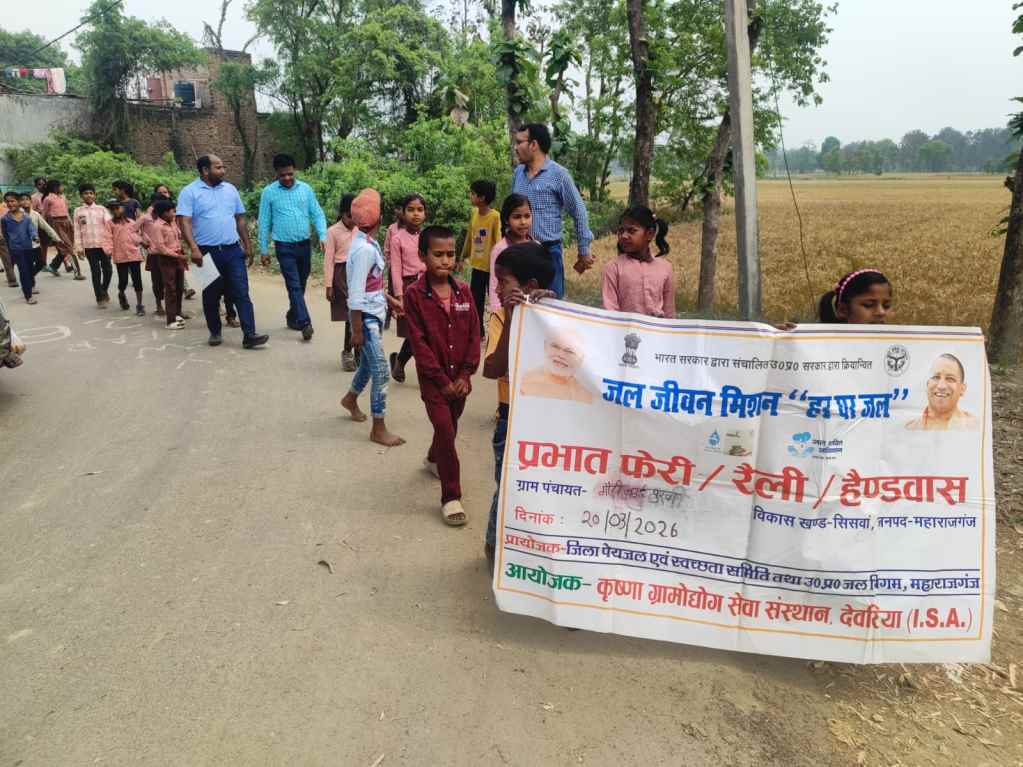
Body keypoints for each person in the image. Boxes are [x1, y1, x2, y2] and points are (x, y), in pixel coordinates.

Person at [482, 241, 555, 569]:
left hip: (547, 422)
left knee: (542, 490)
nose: (497, 289)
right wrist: (513, 319)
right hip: (510, 419)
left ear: (531, 286)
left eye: (503, 282)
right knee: (507, 487)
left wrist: (552, 308)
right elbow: (492, 369)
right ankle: (493, 548)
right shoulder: (500, 318)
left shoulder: (557, 317)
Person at [404, 225, 480, 527]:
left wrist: (465, 374)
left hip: (460, 382)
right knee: (446, 431)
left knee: (450, 425)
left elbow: (474, 334)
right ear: (423, 255)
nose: (445, 260)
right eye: (438, 254)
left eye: (450, 254)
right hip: (434, 382)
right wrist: (441, 380)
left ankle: (434, 458)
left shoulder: (464, 292)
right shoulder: (414, 295)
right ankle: (451, 496)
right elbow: (419, 343)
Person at [177, 154, 268, 349]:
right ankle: (215, 332)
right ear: (205, 170)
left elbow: (240, 218)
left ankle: (249, 335)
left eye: (223, 167)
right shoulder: (189, 192)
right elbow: (184, 221)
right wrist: (193, 248)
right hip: (205, 252)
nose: (223, 171)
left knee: (241, 292)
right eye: (218, 167)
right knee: (211, 294)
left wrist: (247, 245)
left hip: (233, 250)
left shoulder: (230, 189)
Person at [340, 188, 406, 447]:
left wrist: (388, 299)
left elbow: (371, 283)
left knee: (368, 366)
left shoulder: (366, 242)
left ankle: (350, 399)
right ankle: (378, 428)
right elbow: (356, 294)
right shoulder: (365, 249)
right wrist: (356, 330)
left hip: (372, 313)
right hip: (366, 318)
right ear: (378, 219)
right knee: (380, 370)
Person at [511, 123, 594, 298]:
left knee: (551, 305)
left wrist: (583, 250)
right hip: (521, 251)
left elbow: (578, 211)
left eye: (519, 142)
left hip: (548, 253)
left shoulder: (559, 174)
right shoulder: (518, 173)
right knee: (522, 305)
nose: (515, 148)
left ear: (534, 145)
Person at [257, 153, 328, 341]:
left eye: (290, 174)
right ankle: (305, 323)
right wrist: (263, 250)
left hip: (304, 245)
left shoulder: (305, 189)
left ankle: (292, 315)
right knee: (294, 285)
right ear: (276, 174)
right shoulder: (269, 193)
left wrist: (323, 235)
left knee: (301, 284)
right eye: (283, 175)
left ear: (294, 170)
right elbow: (264, 222)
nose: (287, 178)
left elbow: (317, 213)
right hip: (284, 247)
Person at [602, 205, 675, 318]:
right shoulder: (613, 268)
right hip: (624, 329)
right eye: (621, 231)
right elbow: (610, 311)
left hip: (656, 329)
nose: (624, 236)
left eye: (631, 231)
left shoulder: (665, 268)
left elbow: (669, 312)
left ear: (650, 234)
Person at [387, 193, 427, 382]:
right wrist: (399, 295)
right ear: (403, 213)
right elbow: (395, 269)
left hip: (427, 287)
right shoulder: (397, 238)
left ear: (425, 213)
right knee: (414, 331)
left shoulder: (428, 237)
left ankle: (399, 361)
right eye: (410, 210)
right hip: (408, 288)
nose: (415, 214)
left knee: (425, 331)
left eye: (420, 210)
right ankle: (406, 364)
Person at [461, 179, 500, 336]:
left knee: (495, 300)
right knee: (475, 300)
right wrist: (462, 257)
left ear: (482, 197)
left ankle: (499, 332)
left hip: (491, 268)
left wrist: (500, 266)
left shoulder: (495, 217)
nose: (470, 196)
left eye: (472, 193)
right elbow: (469, 237)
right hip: (477, 266)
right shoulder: (474, 213)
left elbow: (498, 241)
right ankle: (479, 332)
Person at [324, 193, 358, 370]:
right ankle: (347, 352)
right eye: (349, 216)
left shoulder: (361, 229)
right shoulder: (332, 231)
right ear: (342, 213)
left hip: (358, 272)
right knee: (350, 314)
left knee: (360, 313)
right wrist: (329, 285)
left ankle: (359, 351)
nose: (353, 220)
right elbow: (329, 259)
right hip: (341, 274)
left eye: (356, 216)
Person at [519, 325, 593, 404]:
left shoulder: (585, 397)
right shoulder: (522, 381)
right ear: (545, 346)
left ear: (580, 359)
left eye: (570, 351)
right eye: (555, 346)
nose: (561, 355)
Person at [905, 354, 978, 431]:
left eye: (950, 379)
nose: (941, 386)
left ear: (962, 389)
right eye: (936, 377)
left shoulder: (975, 427)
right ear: (927, 384)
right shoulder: (909, 429)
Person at [488, 194, 535, 312]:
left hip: (531, 309)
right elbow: (494, 284)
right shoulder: (500, 249)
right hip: (507, 308)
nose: (523, 222)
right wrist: (497, 313)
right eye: (517, 217)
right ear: (506, 220)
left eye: (527, 216)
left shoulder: (537, 246)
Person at [148, 199, 188, 330]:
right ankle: (170, 320)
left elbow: (178, 238)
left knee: (179, 287)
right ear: (164, 213)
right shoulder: (157, 226)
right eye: (172, 211)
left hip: (178, 256)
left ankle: (177, 313)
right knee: (170, 288)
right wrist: (177, 255)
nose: (174, 214)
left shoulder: (173, 223)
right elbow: (161, 247)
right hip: (166, 259)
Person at [72, 183, 113, 306]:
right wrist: (79, 248)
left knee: (108, 270)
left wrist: (111, 243)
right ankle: (99, 298)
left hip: (104, 245)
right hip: (89, 247)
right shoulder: (78, 211)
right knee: (96, 272)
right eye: (86, 193)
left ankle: (103, 290)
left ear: (95, 195)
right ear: (81, 196)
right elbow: (77, 230)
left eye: (91, 193)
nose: (88, 195)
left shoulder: (102, 209)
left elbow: (109, 226)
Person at [104, 199, 146, 316]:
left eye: (117, 208)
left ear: (122, 208)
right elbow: (107, 238)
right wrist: (108, 251)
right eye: (112, 209)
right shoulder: (109, 224)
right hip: (120, 256)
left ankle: (139, 305)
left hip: (134, 255)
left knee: (137, 280)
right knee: (123, 280)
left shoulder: (131, 222)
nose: (115, 211)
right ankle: (121, 293)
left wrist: (142, 242)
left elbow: (136, 235)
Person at [39, 179, 83, 279]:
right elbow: (44, 214)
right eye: (61, 186)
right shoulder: (47, 199)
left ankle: (53, 266)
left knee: (65, 247)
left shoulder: (62, 197)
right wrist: (44, 228)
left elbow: (66, 212)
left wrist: (71, 223)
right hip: (56, 224)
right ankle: (78, 273)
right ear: (55, 187)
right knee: (68, 247)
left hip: (66, 222)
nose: (62, 188)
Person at [1, 191, 38, 304]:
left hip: (28, 248)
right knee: (23, 271)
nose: (10, 204)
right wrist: (10, 249)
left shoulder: (26, 217)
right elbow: (6, 235)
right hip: (16, 250)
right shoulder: (5, 219)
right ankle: (28, 296)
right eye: (7, 202)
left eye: (12, 201)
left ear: (18, 202)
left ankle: (31, 285)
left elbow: (31, 229)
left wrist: (34, 236)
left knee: (30, 269)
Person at [818, 269, 893, 324]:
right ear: (843, 310)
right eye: (869, 305)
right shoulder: (823, 340)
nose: (881, 312)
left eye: (886, 306)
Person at [19, 192, 59, 283]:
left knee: (40, 263)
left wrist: (57, 238)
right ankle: (30, 284)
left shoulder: (35, 214)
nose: (25, 201)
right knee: (28, 264)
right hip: (23, 245)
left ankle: (27, 278)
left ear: (31, 201)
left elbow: (46, 227)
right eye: (22, 200)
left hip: (35, 244)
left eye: (27, 199)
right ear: (19, 202)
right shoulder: (17, 215)